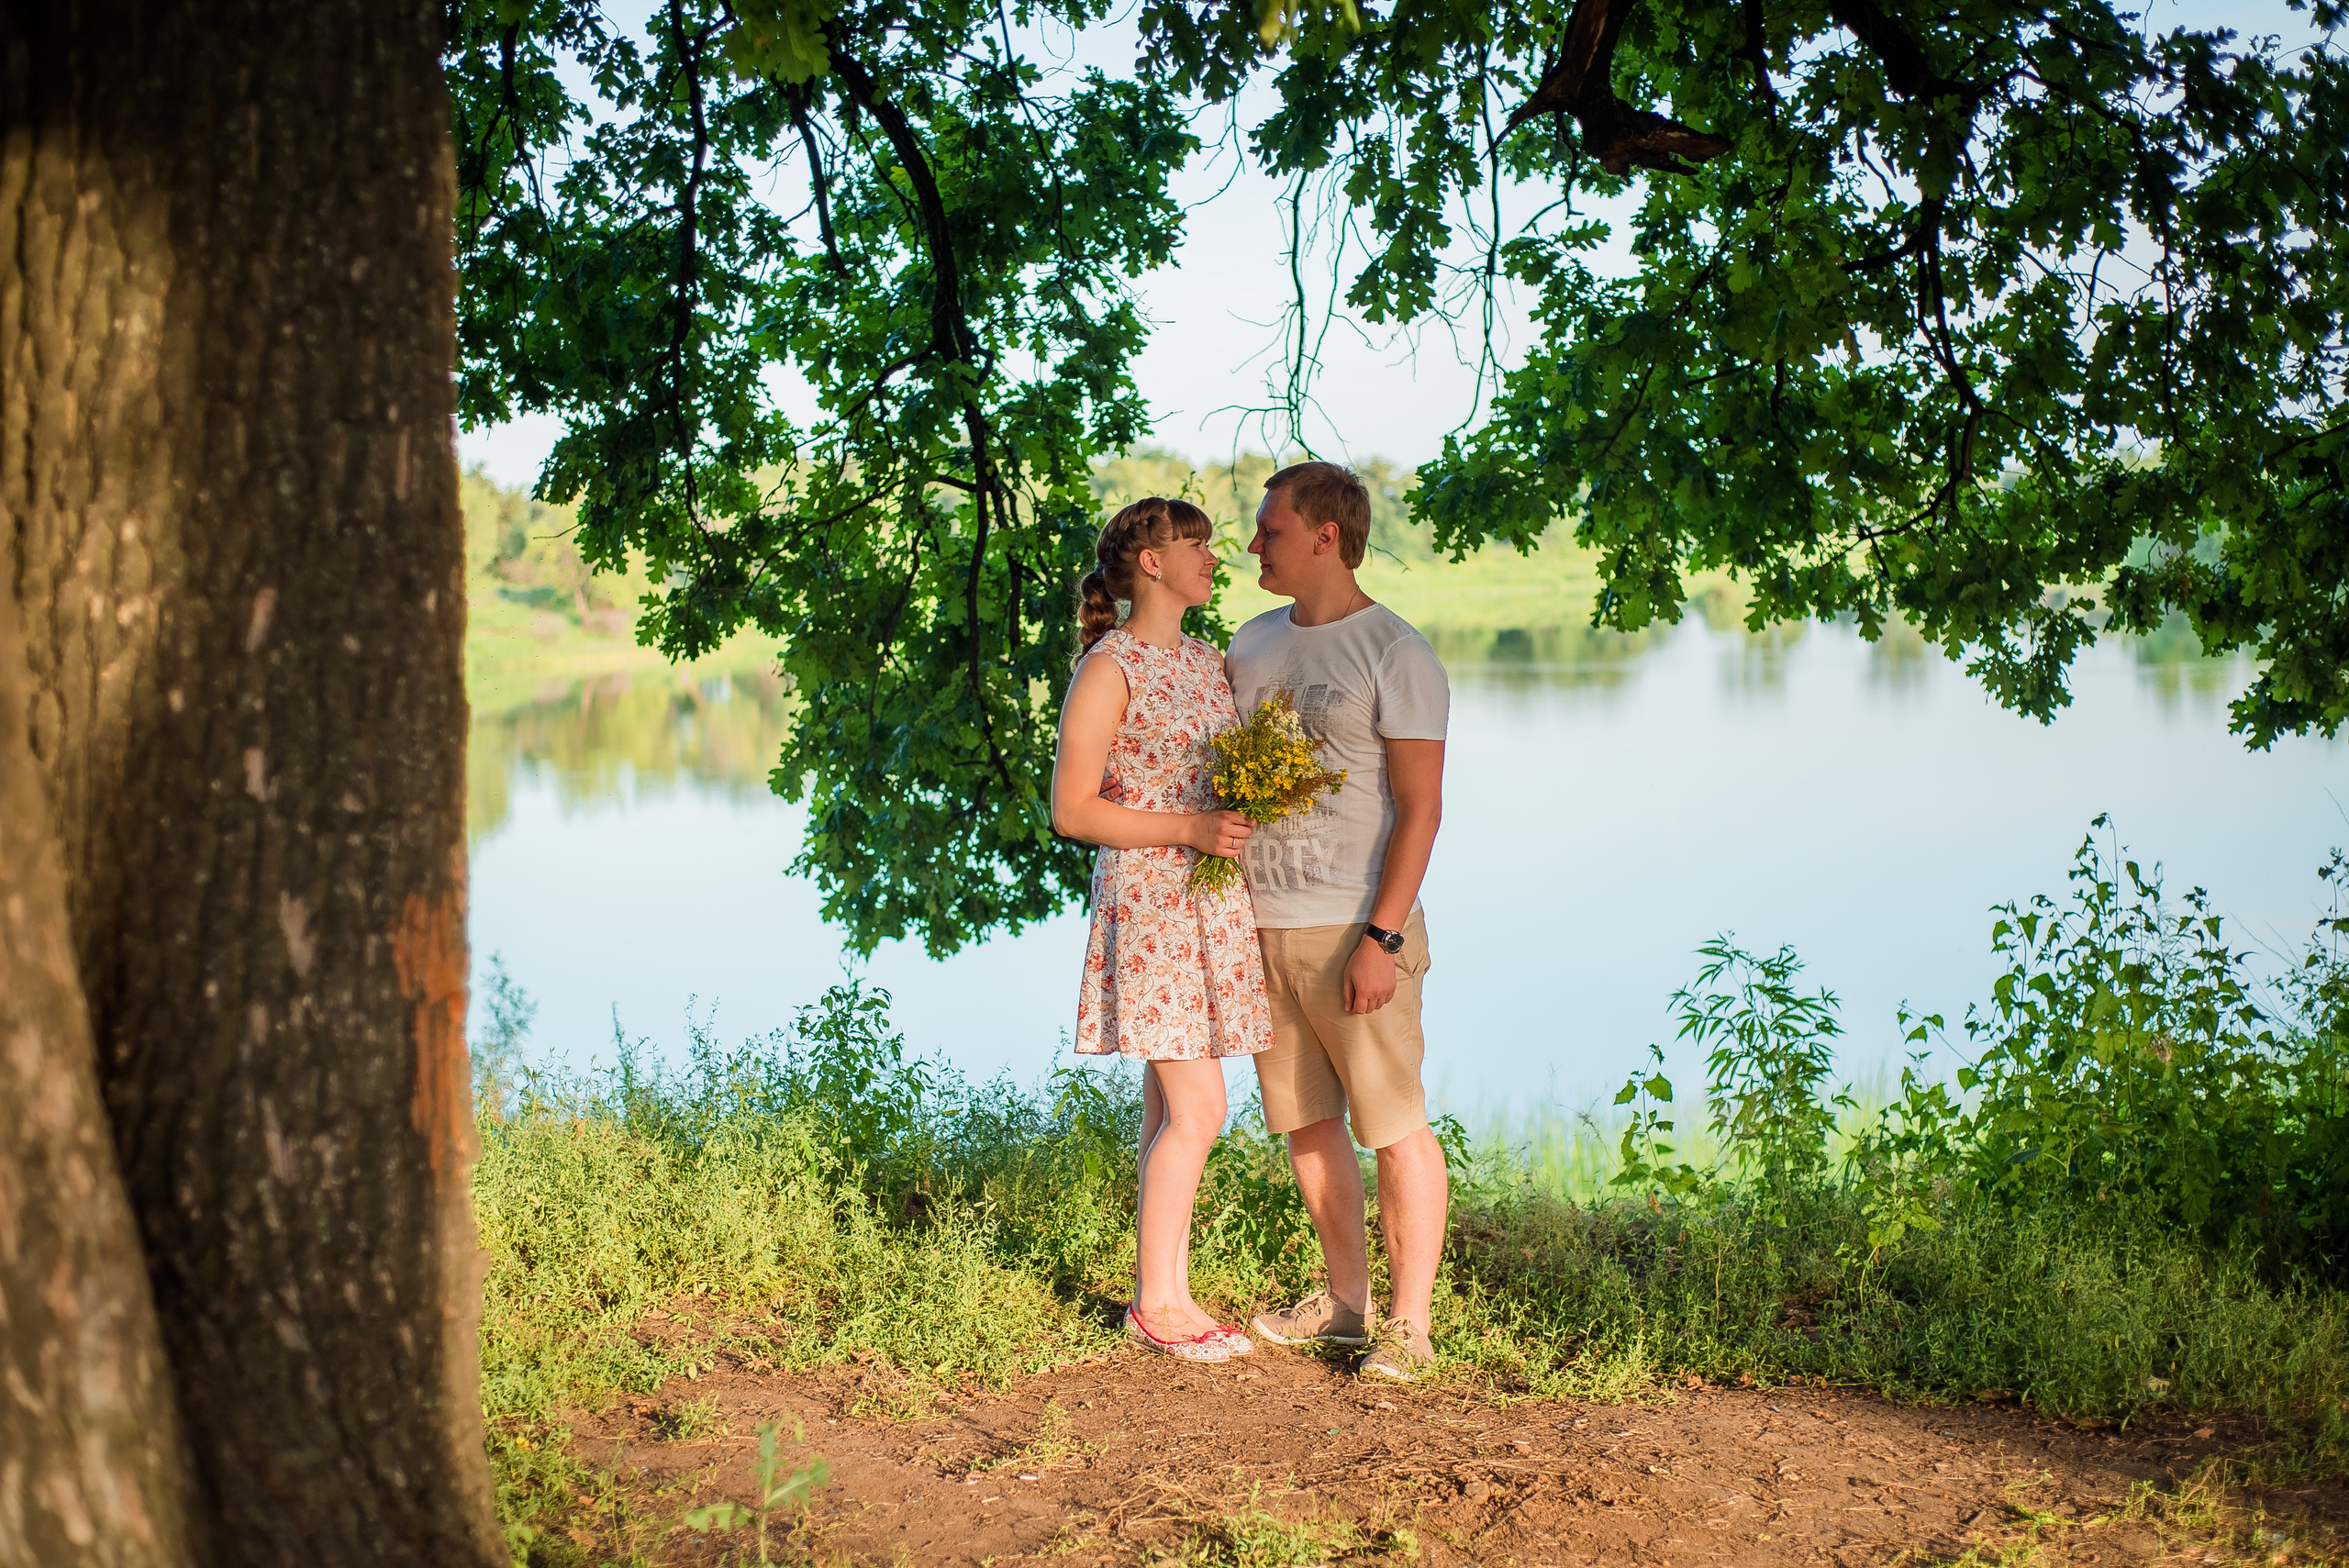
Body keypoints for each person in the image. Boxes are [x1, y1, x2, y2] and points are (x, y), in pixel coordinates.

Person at [1224, 461, 1450, 1384]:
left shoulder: (1396, 651)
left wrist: (1381, 937)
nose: (1251, 543)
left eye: (1269, 528)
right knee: (1306, 1123)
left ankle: (1410, 1325)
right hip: (1258, 924)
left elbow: (1420, 807)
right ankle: (1345, 1306)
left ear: (1326, 535)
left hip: (1354, 928)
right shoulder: (1250, 641)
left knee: (1392, 1125)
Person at [1052, 496, 1275, 1362]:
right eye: (1197, 544)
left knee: (1166, 1108)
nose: (1213, 557)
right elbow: (1072, 811)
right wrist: (1187, 829)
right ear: (1151, 562)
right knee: (1202, 1107)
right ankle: (1158, 1305)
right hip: (1150, 904)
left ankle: (1170, 1291)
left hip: (1209, 901)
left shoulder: (1208, 662)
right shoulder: (1109, 669)